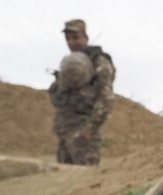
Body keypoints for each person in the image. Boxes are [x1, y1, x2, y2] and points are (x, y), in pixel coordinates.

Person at [49, 19, 115, 165]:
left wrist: (89, 129)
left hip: (84, 133)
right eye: (68, 39)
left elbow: (106, 98)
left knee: (84, 179)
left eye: (76, 37)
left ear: (85, 37)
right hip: (65, 130)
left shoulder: (99, 61)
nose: (72, 42)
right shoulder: (70, 64)